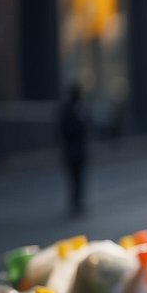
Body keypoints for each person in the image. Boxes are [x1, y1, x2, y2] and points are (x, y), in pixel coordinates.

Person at [58, 82, 89, 216]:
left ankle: (78, 200)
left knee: (79, 177)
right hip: (71, 150)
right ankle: (75, 200)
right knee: (73, 177)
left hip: (79, 150)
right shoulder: (68, 110)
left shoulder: (81, 109)